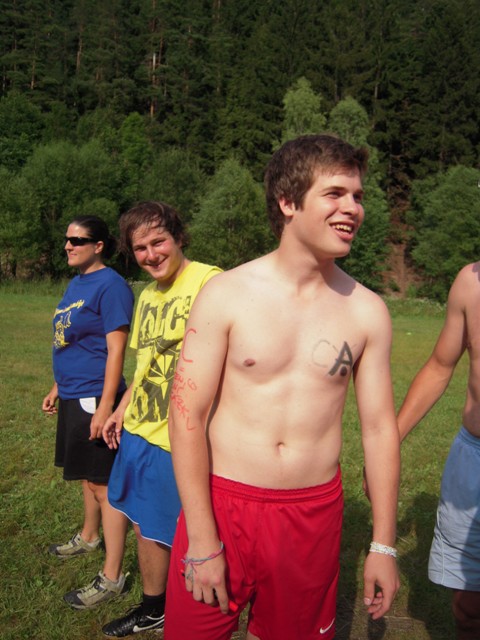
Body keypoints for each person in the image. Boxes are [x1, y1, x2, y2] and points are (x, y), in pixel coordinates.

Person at [165, 134, 401, 640]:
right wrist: (202, 539)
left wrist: (383, 545)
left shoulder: (367, 312)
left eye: (358, 196)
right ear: (288, 202)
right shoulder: (226, 294)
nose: (353, 208)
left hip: (311, 514)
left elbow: (380, 429)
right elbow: (186, 415)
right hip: (223, 504)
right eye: (335, 193)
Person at [100, 201, 222, 637]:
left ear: (179, 237)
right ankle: (154, 607)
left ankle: (194, 612)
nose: (151, 255)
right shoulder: (148, 295)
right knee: (143, 522)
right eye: (140, 248)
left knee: (185, 530)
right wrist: (120, 409)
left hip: (181, 438)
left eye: (158, 242)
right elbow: (145, 367)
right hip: (140, 430)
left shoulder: (210, 282)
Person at [42, 215, 134, 609]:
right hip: (73, 392)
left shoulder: (111, 286)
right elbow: (73, 340)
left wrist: (107, 405)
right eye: (67, 239)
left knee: (103, 483)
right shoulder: (77, 282)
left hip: (95, 396)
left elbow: (116, 349)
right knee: (87, 476)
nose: (68, 245)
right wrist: (58, 386)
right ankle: (90, 536)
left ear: (98, 246)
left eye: (77, 240)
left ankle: (112, 577)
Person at [397, 263, 480, 640]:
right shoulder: (471, 282)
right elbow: (440, 366)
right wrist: (391, 440)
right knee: (469, 607)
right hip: (473, 458)